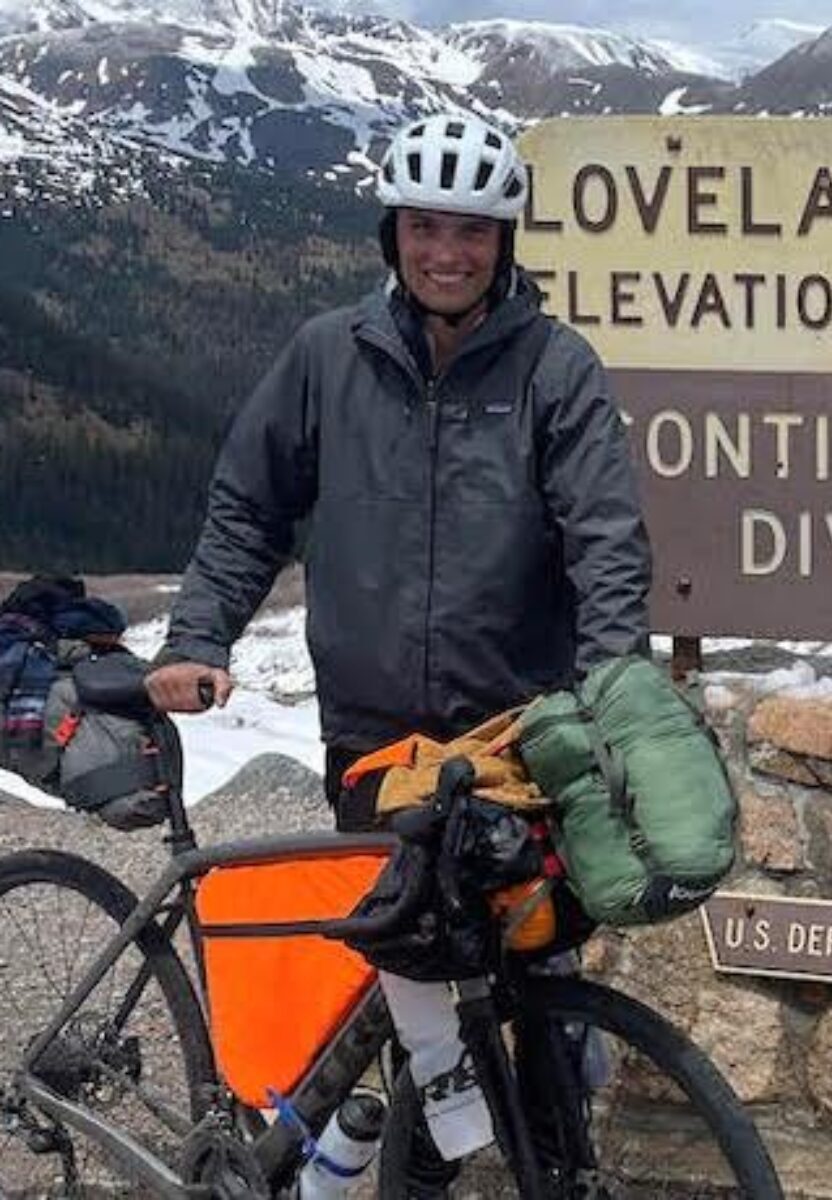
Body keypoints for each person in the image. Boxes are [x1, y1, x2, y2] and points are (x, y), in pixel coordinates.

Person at [146, 111, 650, 1196]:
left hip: (511, 740)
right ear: (393, 234)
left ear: (504, 244)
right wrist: (199, 637)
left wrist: (614, 690)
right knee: (411, 984)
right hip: (376, 740)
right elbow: (248, 509)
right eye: (426, 227)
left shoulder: (555, 370)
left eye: (471, 231)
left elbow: (607, 541)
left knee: (528, 971)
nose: (448, 253)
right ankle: (391, 1166)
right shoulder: (331, 357)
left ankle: (549, 1167)